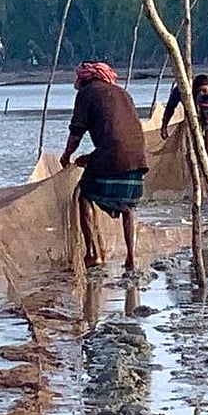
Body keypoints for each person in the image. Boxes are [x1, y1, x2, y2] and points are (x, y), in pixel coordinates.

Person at [60, 61, 149, 271]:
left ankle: (94, 253)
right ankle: (131, 258)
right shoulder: (122, 93)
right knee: (128, 207)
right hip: (137, 157)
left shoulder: (86, 94)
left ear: (86, 79)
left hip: (113, 155)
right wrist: (91, 157)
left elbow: (76, 132)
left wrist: (67, 155)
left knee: (84, 194)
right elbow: (119, 134)